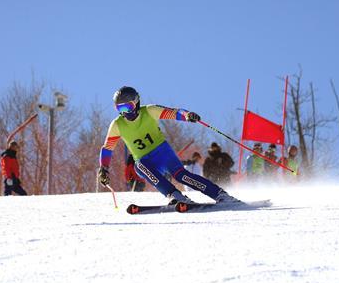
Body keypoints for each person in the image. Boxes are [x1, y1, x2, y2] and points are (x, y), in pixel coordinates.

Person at [97, 87, 240, 205]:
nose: (126, 113)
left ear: (136, 103)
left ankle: (219, 194)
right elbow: (107, 148)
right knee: (139, 166)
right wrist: (104, 168)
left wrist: (187, 115)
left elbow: (174, 112)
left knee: (182, 176)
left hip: (163, 153)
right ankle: (174, 194)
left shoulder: (150, 111)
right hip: (144, 161)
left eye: (128, 107)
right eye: (121, 109)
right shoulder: (117, 125)